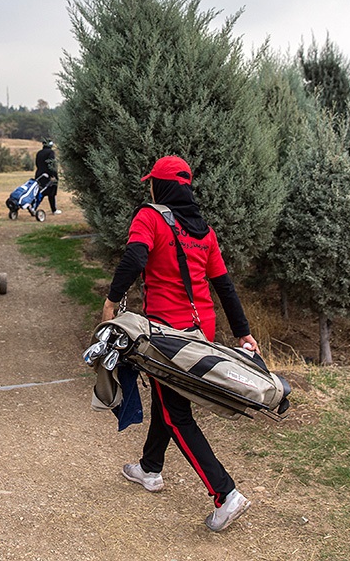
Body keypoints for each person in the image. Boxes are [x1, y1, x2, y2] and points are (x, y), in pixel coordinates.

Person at [100, 155, 258, 533]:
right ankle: (149, 468)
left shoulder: (149, 217)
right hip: (199, 329)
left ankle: (225, 494)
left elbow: (135, 257)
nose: (150, 188)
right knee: (170, 399)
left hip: (165, 333)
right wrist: (242, 331)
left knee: (175, 412)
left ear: (161, 186)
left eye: (152, 182)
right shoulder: (204, 230)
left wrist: (111, 301)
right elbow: (223, 285)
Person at [34, 139, 60, 214]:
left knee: (40, 192)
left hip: (39, 174)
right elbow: (51, 164)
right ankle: (54, 210)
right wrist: (54, 175)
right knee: (51, 193)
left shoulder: (39, 153)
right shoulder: (50, 152)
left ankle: (34, 208)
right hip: (48, 175)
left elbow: (37, 164)